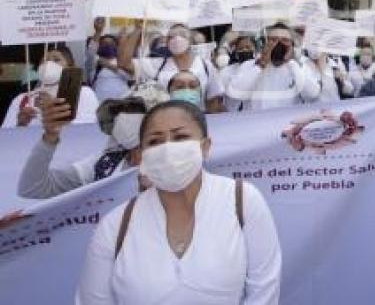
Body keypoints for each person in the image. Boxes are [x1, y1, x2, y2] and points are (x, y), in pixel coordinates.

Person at [75, 100, 282, 303]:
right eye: (155, 142)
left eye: (180, 137)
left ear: (205, 146)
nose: (167, 149)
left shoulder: (243, 200)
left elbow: (264, 289)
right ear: (141, 154)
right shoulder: (115, 225)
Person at [17, 95, 161, 199]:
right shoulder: (103, 163)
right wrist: (50, 137)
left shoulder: (173, 162)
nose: (124, 119)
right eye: (120, 114)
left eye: (134, 112)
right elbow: (32, 188)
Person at [118, 23, 225, 112]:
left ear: (191, 41)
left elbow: (213, 101)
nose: (177, 38)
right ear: (167, 42)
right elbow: (124, 63)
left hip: (198, 119)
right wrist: (138, 29)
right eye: (171, 36)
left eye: (182, 34)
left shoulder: (205, 65)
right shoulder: (157, 65)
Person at [226, 23, 318, 110]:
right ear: (266, 42)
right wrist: (261, 64)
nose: (278, 44)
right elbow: (234, 94)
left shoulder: (299, 66)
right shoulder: (249, 65)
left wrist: (292, 63)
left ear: (291, 44)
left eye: (284, 40)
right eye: (274, 40)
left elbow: (312, 95)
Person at [3, 46, 99, 128]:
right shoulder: (22, 99)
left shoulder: (83, 93)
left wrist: (52, 110)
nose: (48, 64)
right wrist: (20, 124)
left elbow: (86, 131)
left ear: (70, 66)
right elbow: (6, 135)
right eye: (44, 61)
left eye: (56, 60)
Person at [87, 25, 131, 102]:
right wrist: (98, 31)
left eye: (111, 43)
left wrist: (108, 65)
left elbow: (128, 76)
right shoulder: (94, 61)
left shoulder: (121, 60)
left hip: (123, 101)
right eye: (104, 43)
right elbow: (91, 51)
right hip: (101, 103)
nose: (108, 45)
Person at [220, 36, 257, 112]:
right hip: (232, 113)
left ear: (255, 50)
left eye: (248, 47)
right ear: (236, 52)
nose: (244, 50)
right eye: (240, 48)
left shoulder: (260, 68)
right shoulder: (226, 71)